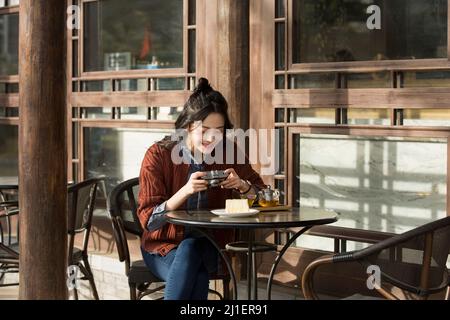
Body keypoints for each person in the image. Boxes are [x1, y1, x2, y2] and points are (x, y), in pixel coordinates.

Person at [138, 77, 266, 300]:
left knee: (193, 250)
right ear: (189, 126)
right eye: (204, 129)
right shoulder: (158, 155)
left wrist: (243, 186)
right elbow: (149, 221)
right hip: (162, 247)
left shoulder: (229, 153)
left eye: (219, 130)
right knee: (194, 268)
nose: (212, 137)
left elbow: (265, 197)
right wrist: (185, 191)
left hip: (212, 247)